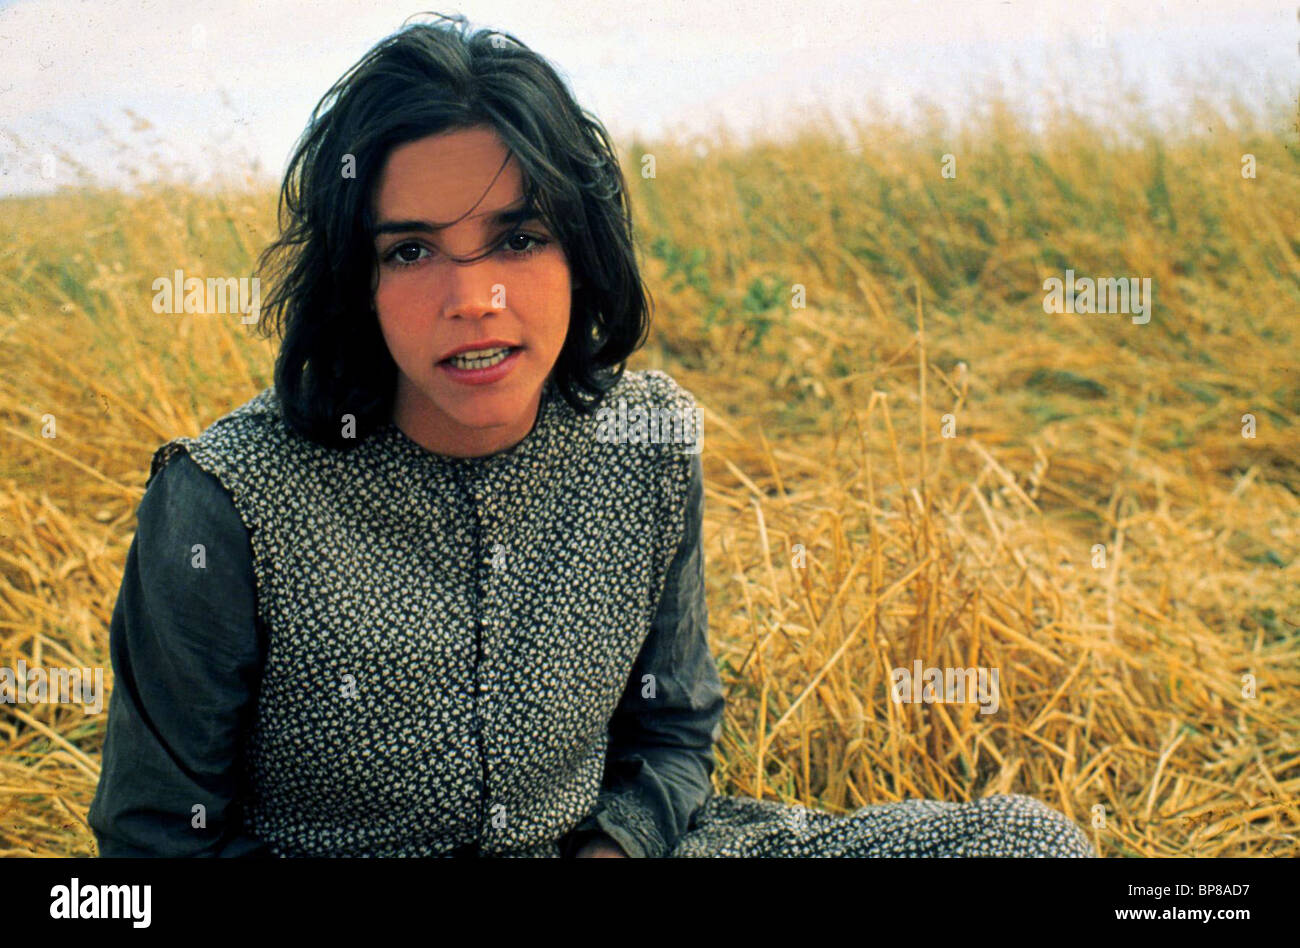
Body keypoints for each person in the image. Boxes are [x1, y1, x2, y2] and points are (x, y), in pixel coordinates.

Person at [88, 14, 1095, 858]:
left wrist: (616, 849)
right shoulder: (228, 497)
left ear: (581, 249)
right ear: (359, 281)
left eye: (519, 239)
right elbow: (157, 834)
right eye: (413, 252)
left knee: (1027, 846)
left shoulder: (643, 443)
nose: (475, 299)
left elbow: (671, 733)